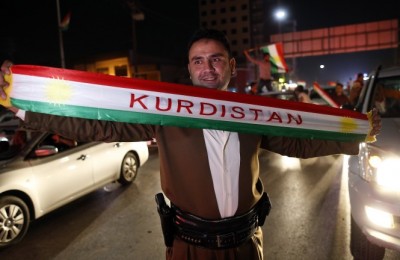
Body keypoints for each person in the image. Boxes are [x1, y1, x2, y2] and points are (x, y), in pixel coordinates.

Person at [0, 29, 381, 260]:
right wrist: (26, 110)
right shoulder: (165, 113)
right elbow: (99, 127)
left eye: (216, 59)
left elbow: (297, 142)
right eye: (198, 61)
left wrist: (352, 136)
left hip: (248, 244)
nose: (208, 68)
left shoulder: (252, 114)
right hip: (191, 249)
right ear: (190, 69)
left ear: (231, 66)